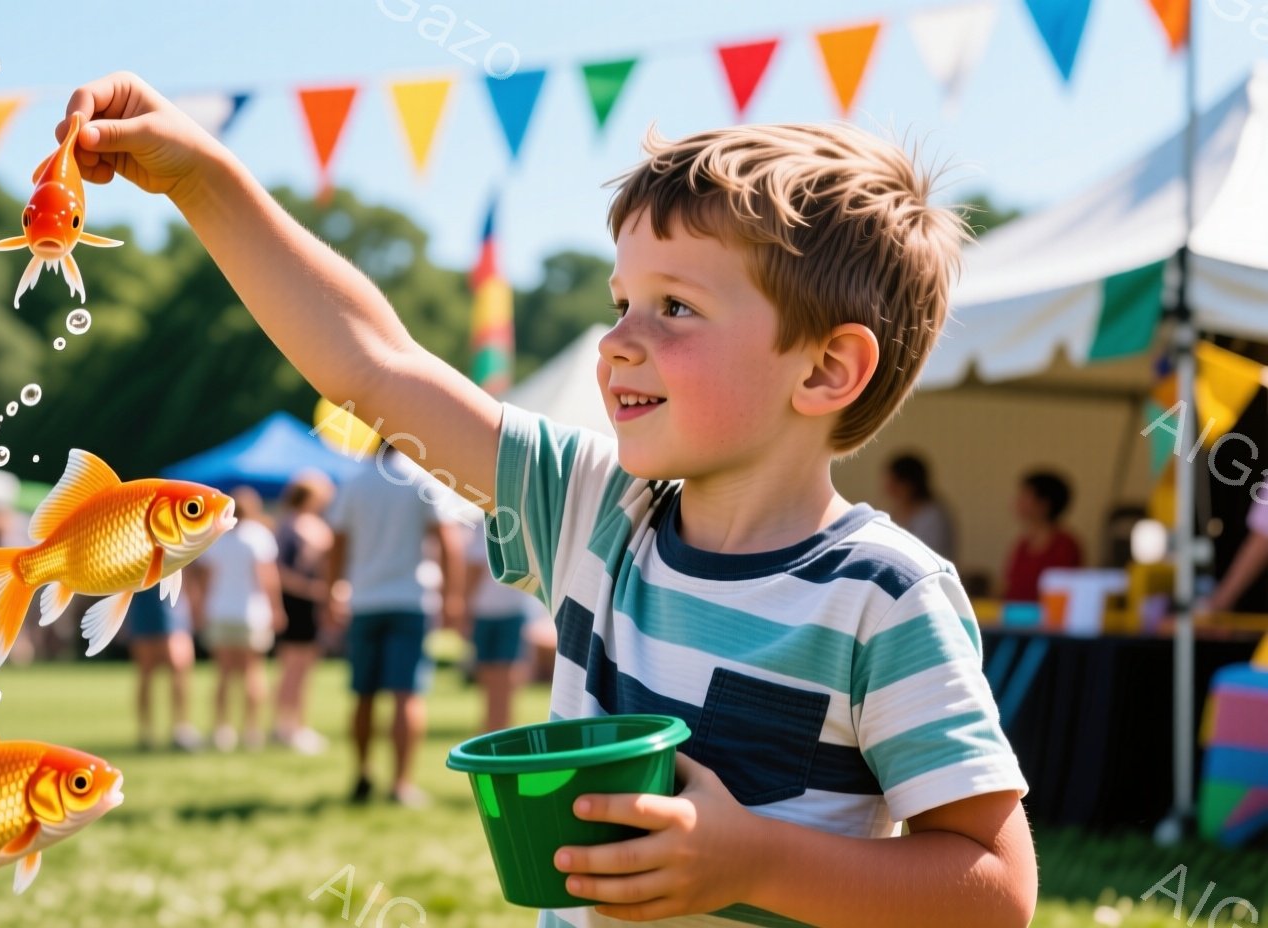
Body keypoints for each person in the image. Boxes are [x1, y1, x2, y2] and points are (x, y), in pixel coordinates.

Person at [57, 75, 1036, 925]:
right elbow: (376, 366)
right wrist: (202, 179)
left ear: (826, 369)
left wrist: (755, 862)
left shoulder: (883, 593)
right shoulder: (595, 511)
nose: (616, 339)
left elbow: (992, 889)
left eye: (675, 307)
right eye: (621, 300)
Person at [327, 444, 464, 807]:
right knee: (406, 693)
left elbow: (336, 541)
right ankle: (401, 784)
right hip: (411, 600)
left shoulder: (355, 480)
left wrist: (331, 593)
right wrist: (453, 598)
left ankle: (361, 774)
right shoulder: (421, 479)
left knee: (363, 694)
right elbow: (448, 541)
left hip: (365, 601)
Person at [193, 487, 284, 752]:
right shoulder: (259, 537)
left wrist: (200, 609)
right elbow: (267, 577)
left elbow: (206, 580)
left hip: (220, 611)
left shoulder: (216, 537)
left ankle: (222, 729)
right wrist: (276, 608)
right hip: (251, 613)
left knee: (223, 674)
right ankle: (252, 730)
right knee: (252, 673)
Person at [271, 471, 335, 754]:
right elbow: (279, 572)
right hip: (296, 603)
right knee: (293, 667)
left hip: (312, 604)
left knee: (305, 667)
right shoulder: (288, 527)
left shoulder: (315, 525)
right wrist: (312, 590)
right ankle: (284, 726)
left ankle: (297, 724)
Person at [461, 518, 539, 733]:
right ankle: (497, 725)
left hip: (490, 608)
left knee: (496, 675)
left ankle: (496, 727)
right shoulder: (525, 518)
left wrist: (463, 604)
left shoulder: (484, 521)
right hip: (513, 605)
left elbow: (475, 567)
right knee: (503, 675)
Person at [127, 580, 202, 752]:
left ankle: (180, 728)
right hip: (147, 604)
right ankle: (147, 732)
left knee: (179, 668)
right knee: (148, 671)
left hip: (174, 606)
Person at [1003, 470, 1084, 603]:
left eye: (1025, 496)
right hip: (1015, 617)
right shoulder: (1022, 544)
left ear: (1044, 504)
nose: (1017, 501)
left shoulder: (1065, 545)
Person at [883, 452, 956, 561]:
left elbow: (925, 556)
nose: (888, 489)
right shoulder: (897, 513)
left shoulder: (932, 516)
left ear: (909, 484)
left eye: (893, 483)